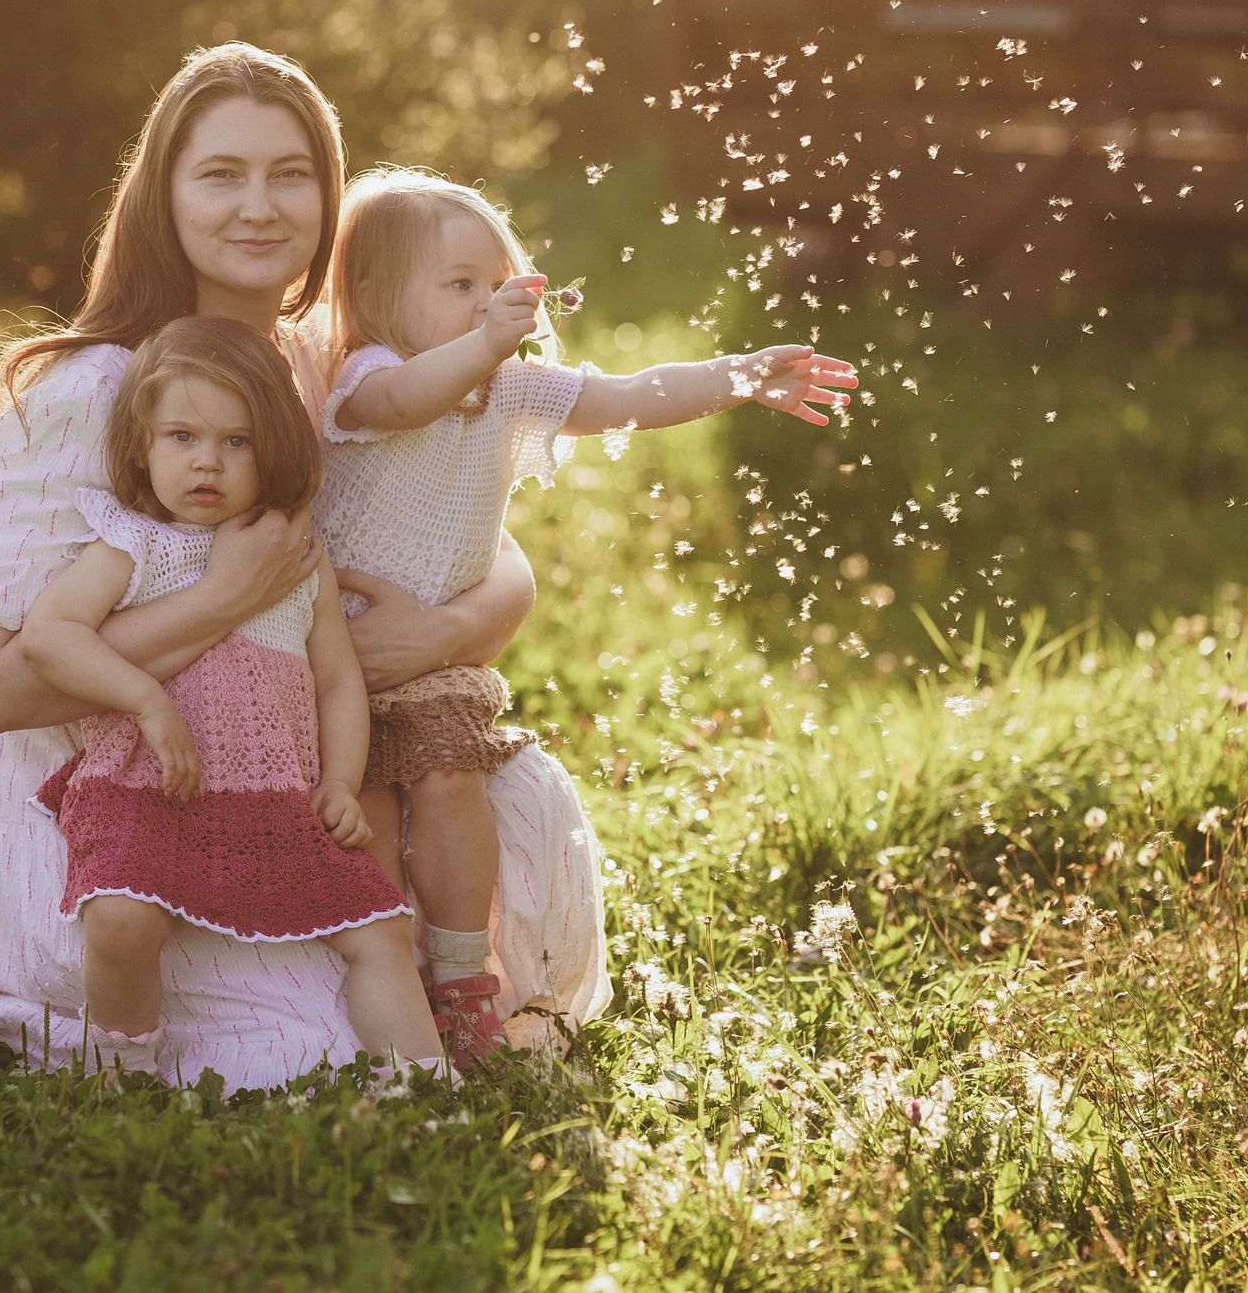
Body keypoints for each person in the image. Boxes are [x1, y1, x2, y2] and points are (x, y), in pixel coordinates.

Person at [0, 43, 608, 1090]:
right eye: (220, 174)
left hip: (292, 777)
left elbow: (486, 555)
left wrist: (449, 633)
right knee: (305, 1052)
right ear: (161, 196)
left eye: (291, 174)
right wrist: (222, 601)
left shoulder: (322, 359)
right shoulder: (76, 391)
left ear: (328, 192)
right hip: (116, 808)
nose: (258, 206)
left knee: (516, 819)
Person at [316, 167, 857, 1065]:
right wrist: (484, 341)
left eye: (499, 285)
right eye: (459, 287)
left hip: (434, 663)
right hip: (335, 658)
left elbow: (631, 396)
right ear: (373, 297)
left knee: (451, 784)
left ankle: (459, 975)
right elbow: (410, 399)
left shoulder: (514, 386)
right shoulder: (366, 377)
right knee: (364, 808)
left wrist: (739, 375)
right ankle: (386, 968)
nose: (488, 304)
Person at [21, 317, 441, 1079]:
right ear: (142, 444)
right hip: (145, 790)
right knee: (119, 919)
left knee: (380, 929)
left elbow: (338, 678)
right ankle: (123, 1073)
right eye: (181, 436)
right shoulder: (134, 543)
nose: (206, 461)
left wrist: (341, 780)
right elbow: (49, 635)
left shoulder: (294, 557)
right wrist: (144, 697)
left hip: (276, 797)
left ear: (271, 449)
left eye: (235, 441)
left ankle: (422, 1083)